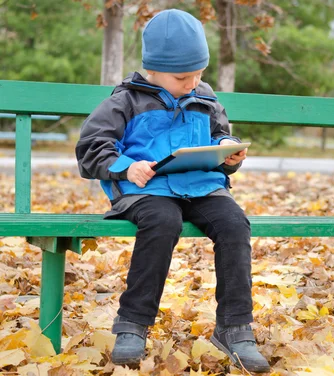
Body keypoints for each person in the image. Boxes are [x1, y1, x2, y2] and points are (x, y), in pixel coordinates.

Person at [75, 9, 270, 373]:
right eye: (183, 76)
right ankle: (132, 324)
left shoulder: (205, 97)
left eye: (199, 74)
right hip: (146, 191)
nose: (192, 83)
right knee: (162, 222)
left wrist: (230, 152)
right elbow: (91, 147)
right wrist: (126, 166)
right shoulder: (125, 101)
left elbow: (219, 136)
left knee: (234, 224)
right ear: (153, 70)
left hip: (200, 187)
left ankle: (235, 327)